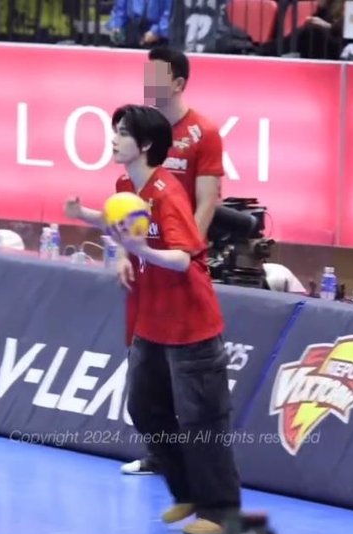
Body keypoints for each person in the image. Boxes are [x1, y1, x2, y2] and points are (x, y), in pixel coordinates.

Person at [64, 104, 241, 534]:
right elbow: (123, 222)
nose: (113, 139)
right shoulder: (126, 185)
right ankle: (186, 493)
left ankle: (220, 512)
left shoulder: (168, 193)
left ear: (144, 145)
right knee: (144, 408)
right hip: (151, 321)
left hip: (191, 328)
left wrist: (141, 251)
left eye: (122, 133)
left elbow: (182, 258)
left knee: (201, 422)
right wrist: (86, 216)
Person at [120, 46, 225, 475]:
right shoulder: (141, 131)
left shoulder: (204, 132)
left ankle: (202, 474)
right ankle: (160, 456)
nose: (147, 82)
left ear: (178, 83)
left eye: (156, 76)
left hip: (180, 266)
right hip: (148, 269)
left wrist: (187, 252)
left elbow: (207, 201)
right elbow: (128, 204)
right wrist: (125, 254)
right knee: (147, 378)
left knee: (188, 382)